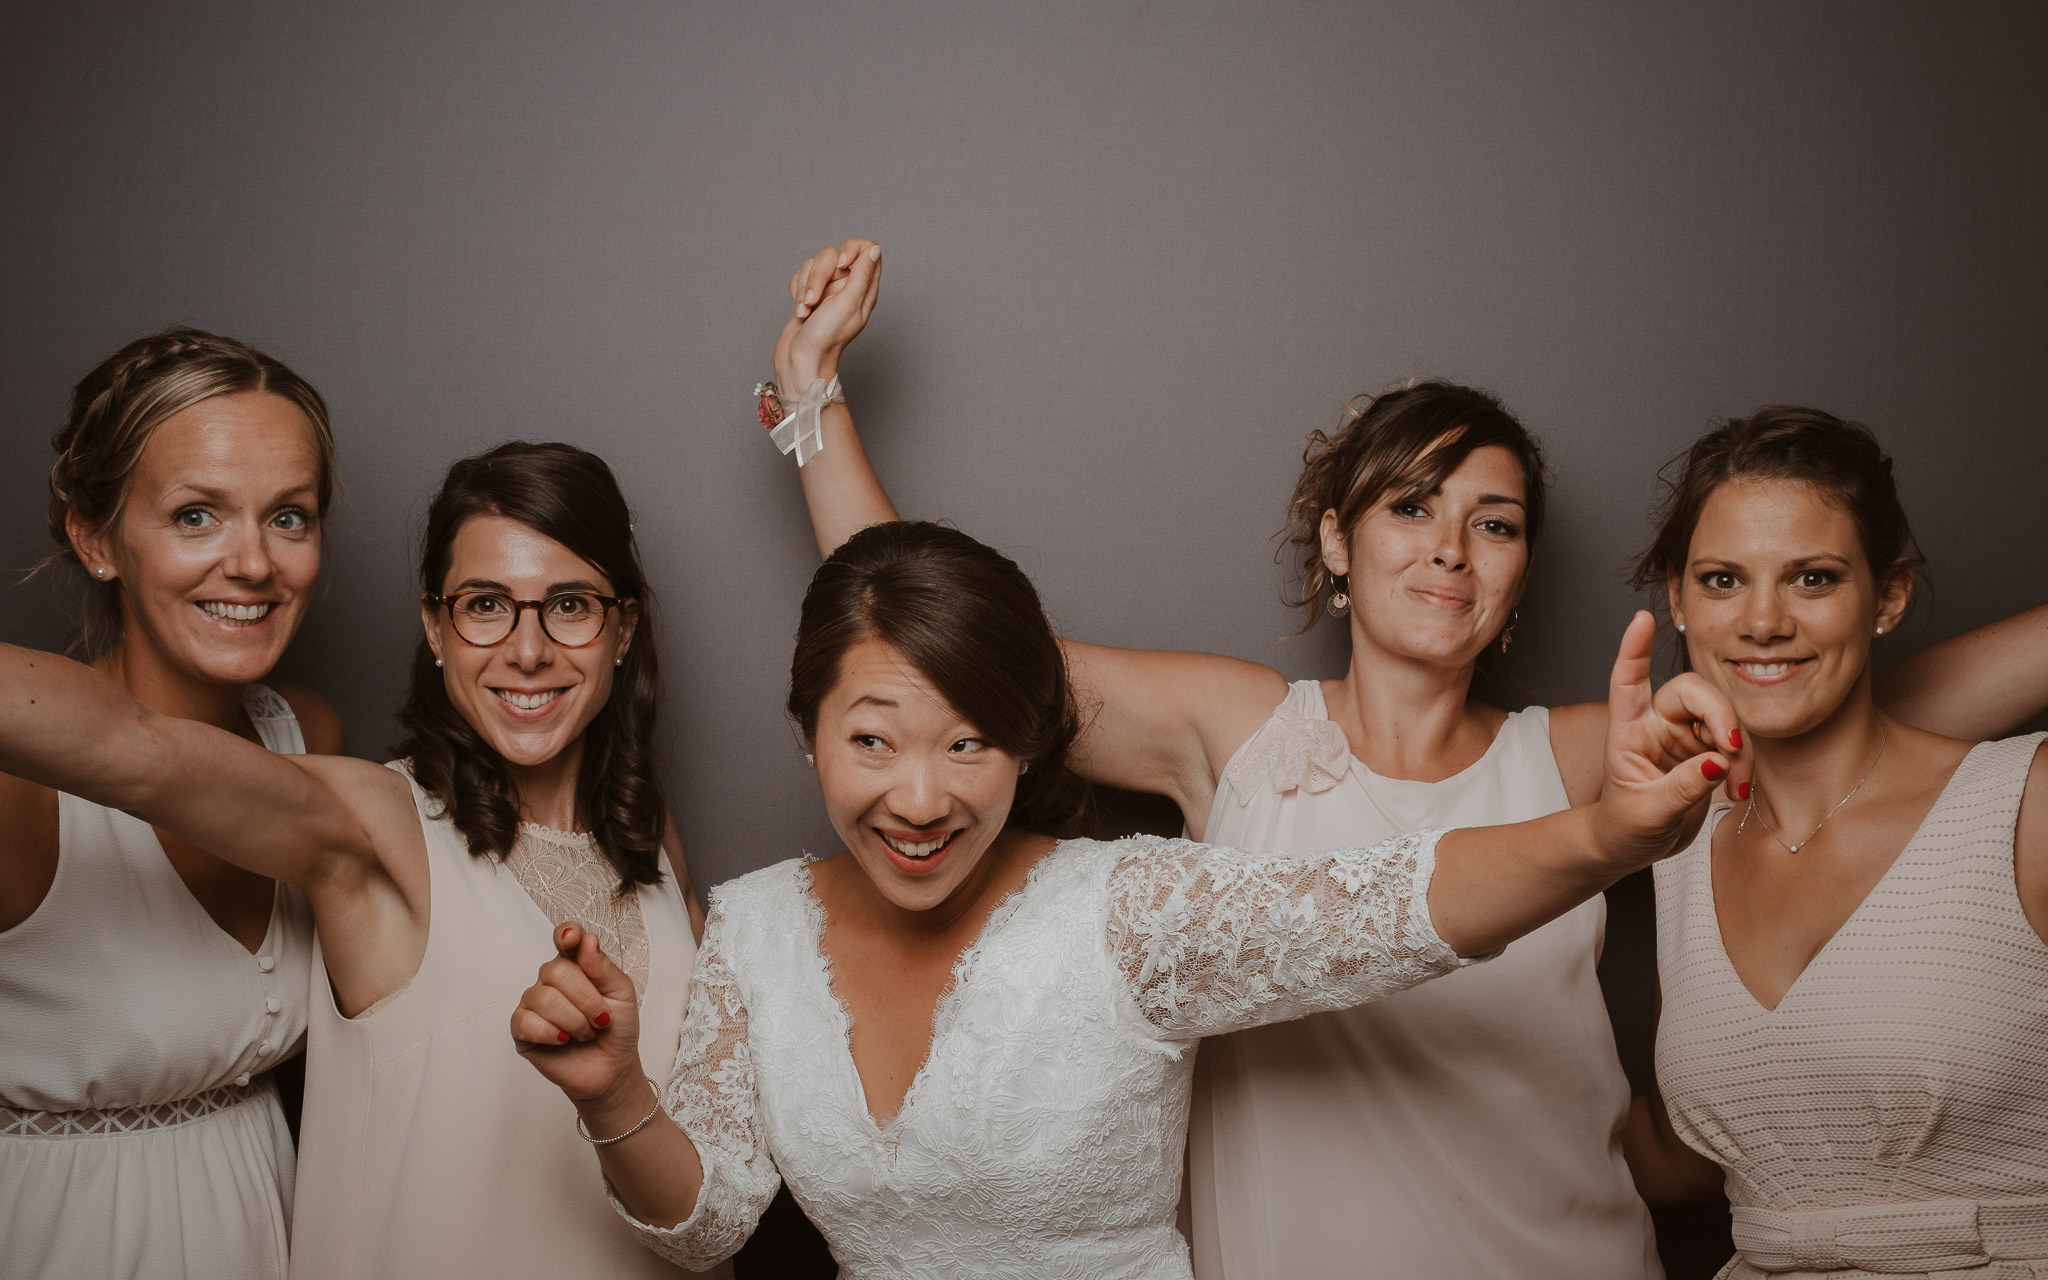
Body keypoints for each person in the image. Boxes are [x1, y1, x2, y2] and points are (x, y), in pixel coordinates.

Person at [743, 239, 2046, 1278]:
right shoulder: (1234, 731)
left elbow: (1866, 699)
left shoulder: (1590, 757)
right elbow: (939, 645)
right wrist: (814, 406)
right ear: (1335, 542)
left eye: (1496, 523)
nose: (1449, 549)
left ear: (1523, 573)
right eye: (1411, 508)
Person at [511, 517, 1745, 1279]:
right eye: (874, 741)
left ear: (1029, 746)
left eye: (971, 743)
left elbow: (1381, 906)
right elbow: (710, 1223)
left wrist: (1597, 834)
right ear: (807, 737)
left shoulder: (1129, 909)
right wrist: (617, 1091)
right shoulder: (755, 923)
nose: (921, 796)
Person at [0, 441, 713, 1279]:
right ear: (435, 628)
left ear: (621, 628)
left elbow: (705, 1158)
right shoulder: (374, 822)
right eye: (485, 604)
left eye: (570, 605)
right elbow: (134, 747)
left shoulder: (649, 834)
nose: (528, 650)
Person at [1623, 408, 2048, 1279]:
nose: (1763, 620)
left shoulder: (2024, 804)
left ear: (1888, 597)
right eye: (1721, 580)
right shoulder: (1678, 842)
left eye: (1812, 579)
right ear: (1676, 598)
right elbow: (1685, 1162)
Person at [0, 328, 343, 1279]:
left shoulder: (306, 736)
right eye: (197, 516)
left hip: (267, 1220)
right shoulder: (22, 796)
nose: (253, 564)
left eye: (290, 517)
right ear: (96, 538)